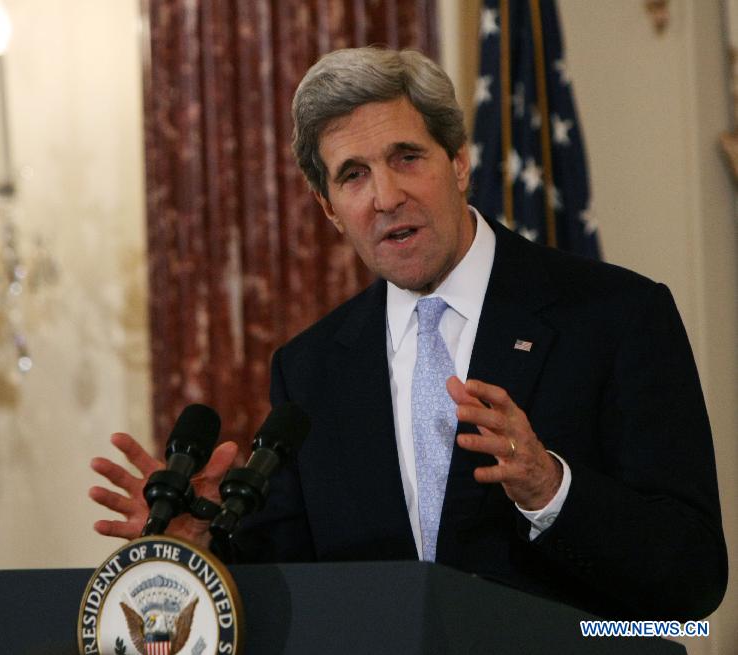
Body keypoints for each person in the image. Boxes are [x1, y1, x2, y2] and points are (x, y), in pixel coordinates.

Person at [90, 47, 727, 620]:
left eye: (406, 158)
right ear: (329, 209)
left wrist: (549, 489)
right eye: (353, 175)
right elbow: (298, 587)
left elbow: (694, 582)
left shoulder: (615, 316)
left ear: (457, 163)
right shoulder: (311, 369)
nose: (385, 196)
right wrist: (204, 550)